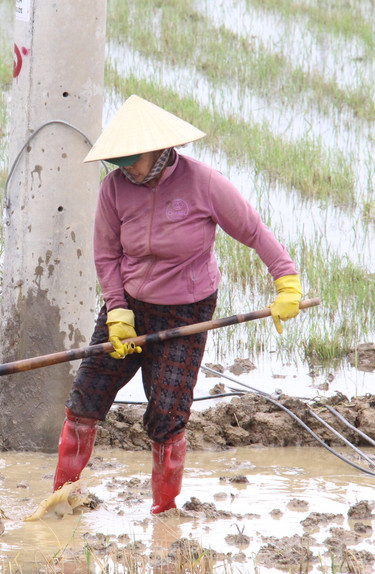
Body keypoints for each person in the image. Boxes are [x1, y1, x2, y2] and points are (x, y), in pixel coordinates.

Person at [52, 95, 302, 514]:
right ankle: (61, 499)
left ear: (159, 149)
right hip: (129, 306)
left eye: (133, 160)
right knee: (86, 397)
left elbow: (254, 231)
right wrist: (118, 311)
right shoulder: (114, 189)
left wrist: (286, 281)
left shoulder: (204, 183)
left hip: (186, 310)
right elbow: (107, 256)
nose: (127, 169)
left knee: (167, 414)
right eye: (119, 162)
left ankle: (164, 513)